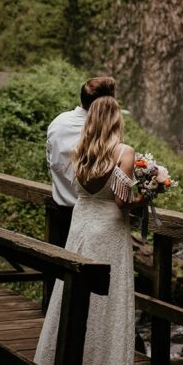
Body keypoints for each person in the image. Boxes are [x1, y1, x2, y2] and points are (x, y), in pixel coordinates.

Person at [26, 96, 141, 365]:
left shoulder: (80, 150)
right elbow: (122, 201)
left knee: (71, 295)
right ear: (115, 120)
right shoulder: (124, 152)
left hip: (81, 226)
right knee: (110, 299)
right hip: (110, 228)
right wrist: (147, 194)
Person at [46, 76, 117, 246]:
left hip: (59, 212)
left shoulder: (58, 121)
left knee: (62, 269)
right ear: (107, 102)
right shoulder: (102, 133)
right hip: (91, 218)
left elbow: (50, 163)